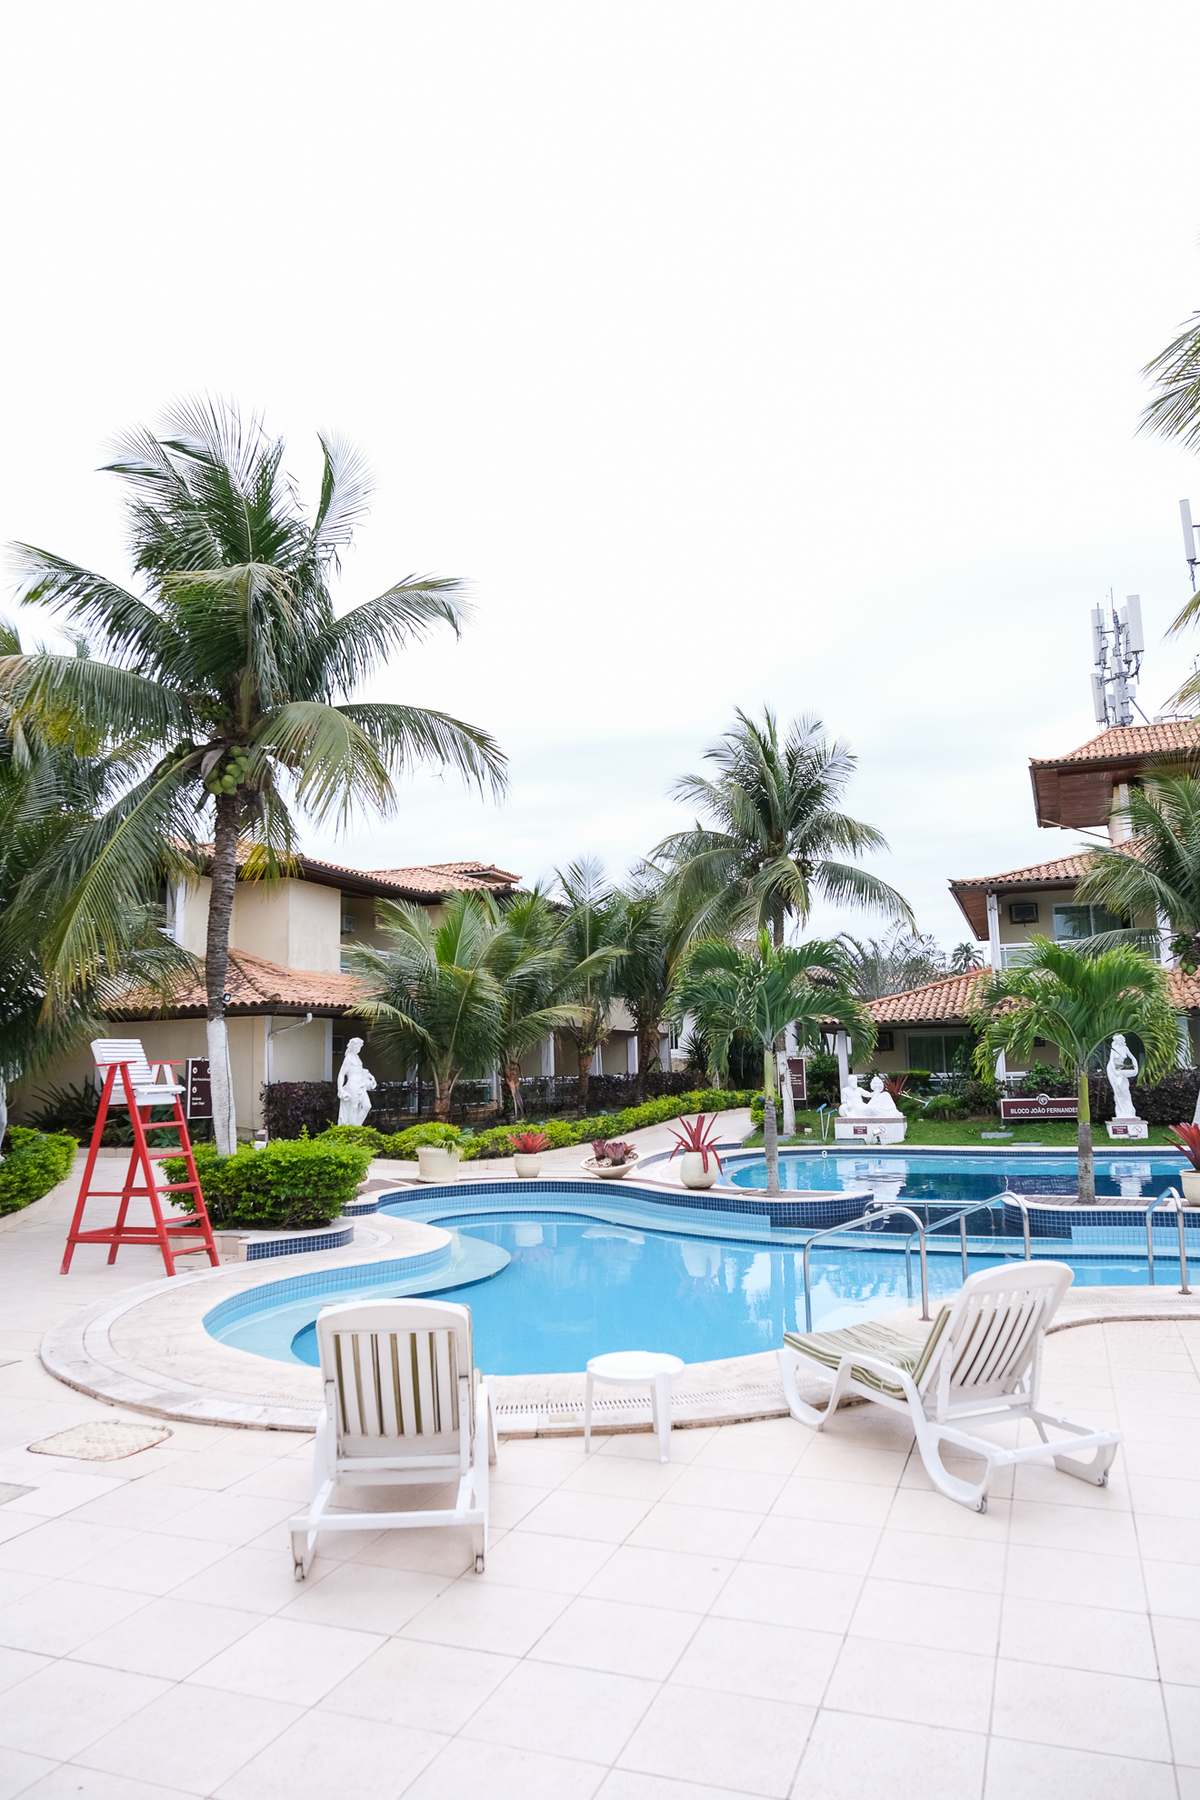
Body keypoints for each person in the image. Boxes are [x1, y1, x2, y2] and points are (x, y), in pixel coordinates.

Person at [337, 1037, 377, 1127]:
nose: (359, 1048)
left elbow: (360, 1070)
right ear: (353, 1047)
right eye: (357, 1046)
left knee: (367, 1106)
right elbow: (341, 1074)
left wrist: (370, 1076)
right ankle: (352, 1129)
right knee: (353, 1107)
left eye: (360, 1046)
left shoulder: (357, 1057)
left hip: (361, 1085)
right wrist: (340, 1088)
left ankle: (356, 1126)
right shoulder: (349, 1058)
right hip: (353, 1084)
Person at [1106, 1034, 1139, 1118]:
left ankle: (1129, 1111)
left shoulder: (1125, 1048)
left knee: (1125, 1089)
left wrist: (1136, 1068)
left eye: (1119, 1040)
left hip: (1121, 1068)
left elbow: (1133, 1058)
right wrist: (1115, 1072)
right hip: (1112, 1069)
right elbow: (1111, 1061)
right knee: (1117, 1088)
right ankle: (1121, 1111)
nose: (1118, 1042)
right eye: (1116, 1040)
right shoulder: (1114, 1049)